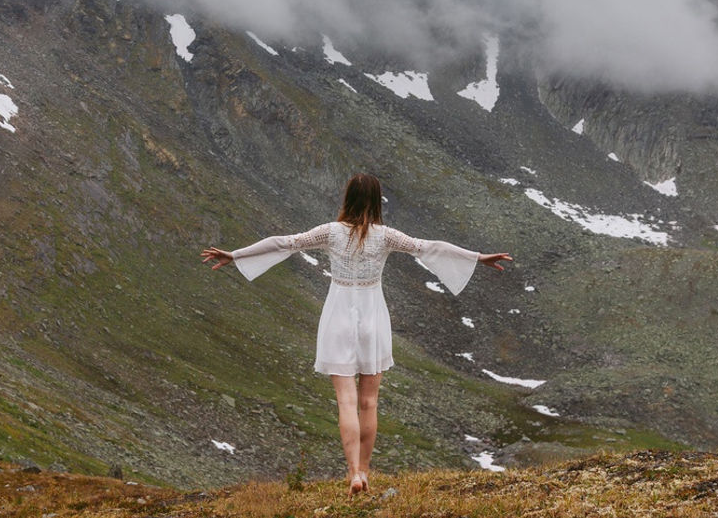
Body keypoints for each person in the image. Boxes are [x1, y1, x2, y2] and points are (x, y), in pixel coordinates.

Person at [202, 172, 511, 494]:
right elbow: (428, 248)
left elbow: (285, 243)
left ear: (347, 198)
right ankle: (364, 470)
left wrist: (235, 255)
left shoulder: (331, 233)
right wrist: (476, 258)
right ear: (377, 202)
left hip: (338, 314)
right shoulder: (385, 236)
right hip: (372, 316)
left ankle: (352, 473)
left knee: (346, 402)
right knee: (369, 402)